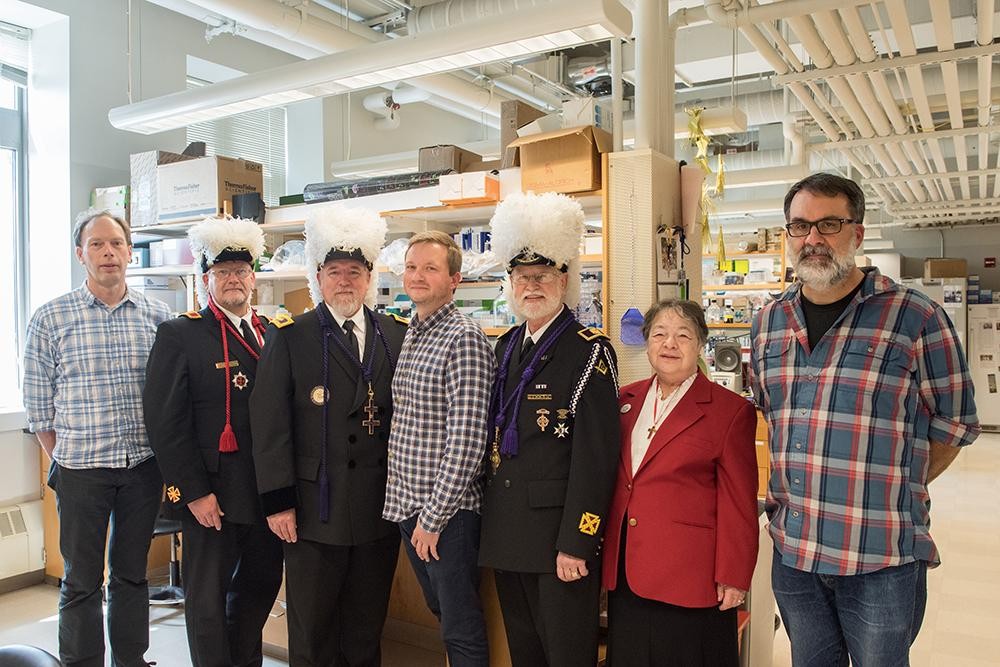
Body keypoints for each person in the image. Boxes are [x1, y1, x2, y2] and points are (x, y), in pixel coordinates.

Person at [749, 172, 981, 666]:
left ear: (857, 232)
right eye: (799, 226)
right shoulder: (768, 323)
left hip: (879, 557)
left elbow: (955, 424)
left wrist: (893, 484)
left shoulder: (915, 317)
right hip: (795, 554)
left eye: (828, 224)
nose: (812, 239)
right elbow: (775, 416)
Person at [251, 207, 407, 666]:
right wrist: (277, 502)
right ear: (318, 277)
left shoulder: (394, 335)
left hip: (378, 507)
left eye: (354, 272)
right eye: (334, 272)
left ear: (369, 277)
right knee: (313, 629)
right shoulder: (291, 336)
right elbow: (269, 425)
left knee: (365, 626)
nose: (345, 281)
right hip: (312, 509)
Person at [22, 210, 171, 667]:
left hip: (142, 469)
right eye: (97, 245)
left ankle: (131, 660)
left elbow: (167, 396)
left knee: (132, 575)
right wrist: (66, 458)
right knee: (81, 580)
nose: (108, 253)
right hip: (80, 471)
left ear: (129, 251)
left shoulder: (158, 316)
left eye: (116, 244)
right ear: (80, 254)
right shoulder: (51, 318)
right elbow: (38, 407)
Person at [478, 192, 620, 666]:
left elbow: (597, 461)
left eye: (542, 277)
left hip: (559, 541)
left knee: (567, 656)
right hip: (508, 533)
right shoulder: (505, 347)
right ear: (510, 284)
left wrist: (578, 541)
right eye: (522, 278)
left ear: (564, 280)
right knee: (526, 656)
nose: (531, 286)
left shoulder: (589, 352)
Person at [143, 217, 283, 667]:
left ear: (253, 279)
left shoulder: (274, 332)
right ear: (207, 281)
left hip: (266, 494)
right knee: (206, 602)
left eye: (241, 272)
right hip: (214, 496)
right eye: (223, 274)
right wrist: (194, 493)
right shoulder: (181, 334)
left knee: (258, 590)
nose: (234, 280)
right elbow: (166, 423)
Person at [602, 299, 759, 667]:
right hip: (628, 572)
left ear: (700, 344)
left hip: (691, 576)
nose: (669, 344)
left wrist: (734, 576)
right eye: (659, 334)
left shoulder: (730, 411)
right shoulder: (626, 400)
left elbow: (739, 502)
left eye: (682, 335)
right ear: (647, 343)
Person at [382, 230, 496, 667]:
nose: (417, 276)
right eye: (412, 267)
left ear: (455, 280)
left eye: (430, 268)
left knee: (461, 626)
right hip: (410, 507)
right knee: (444, 617)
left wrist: (432, 519)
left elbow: (468, 442)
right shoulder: (413, 332)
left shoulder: (462, 337)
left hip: (446, 514)